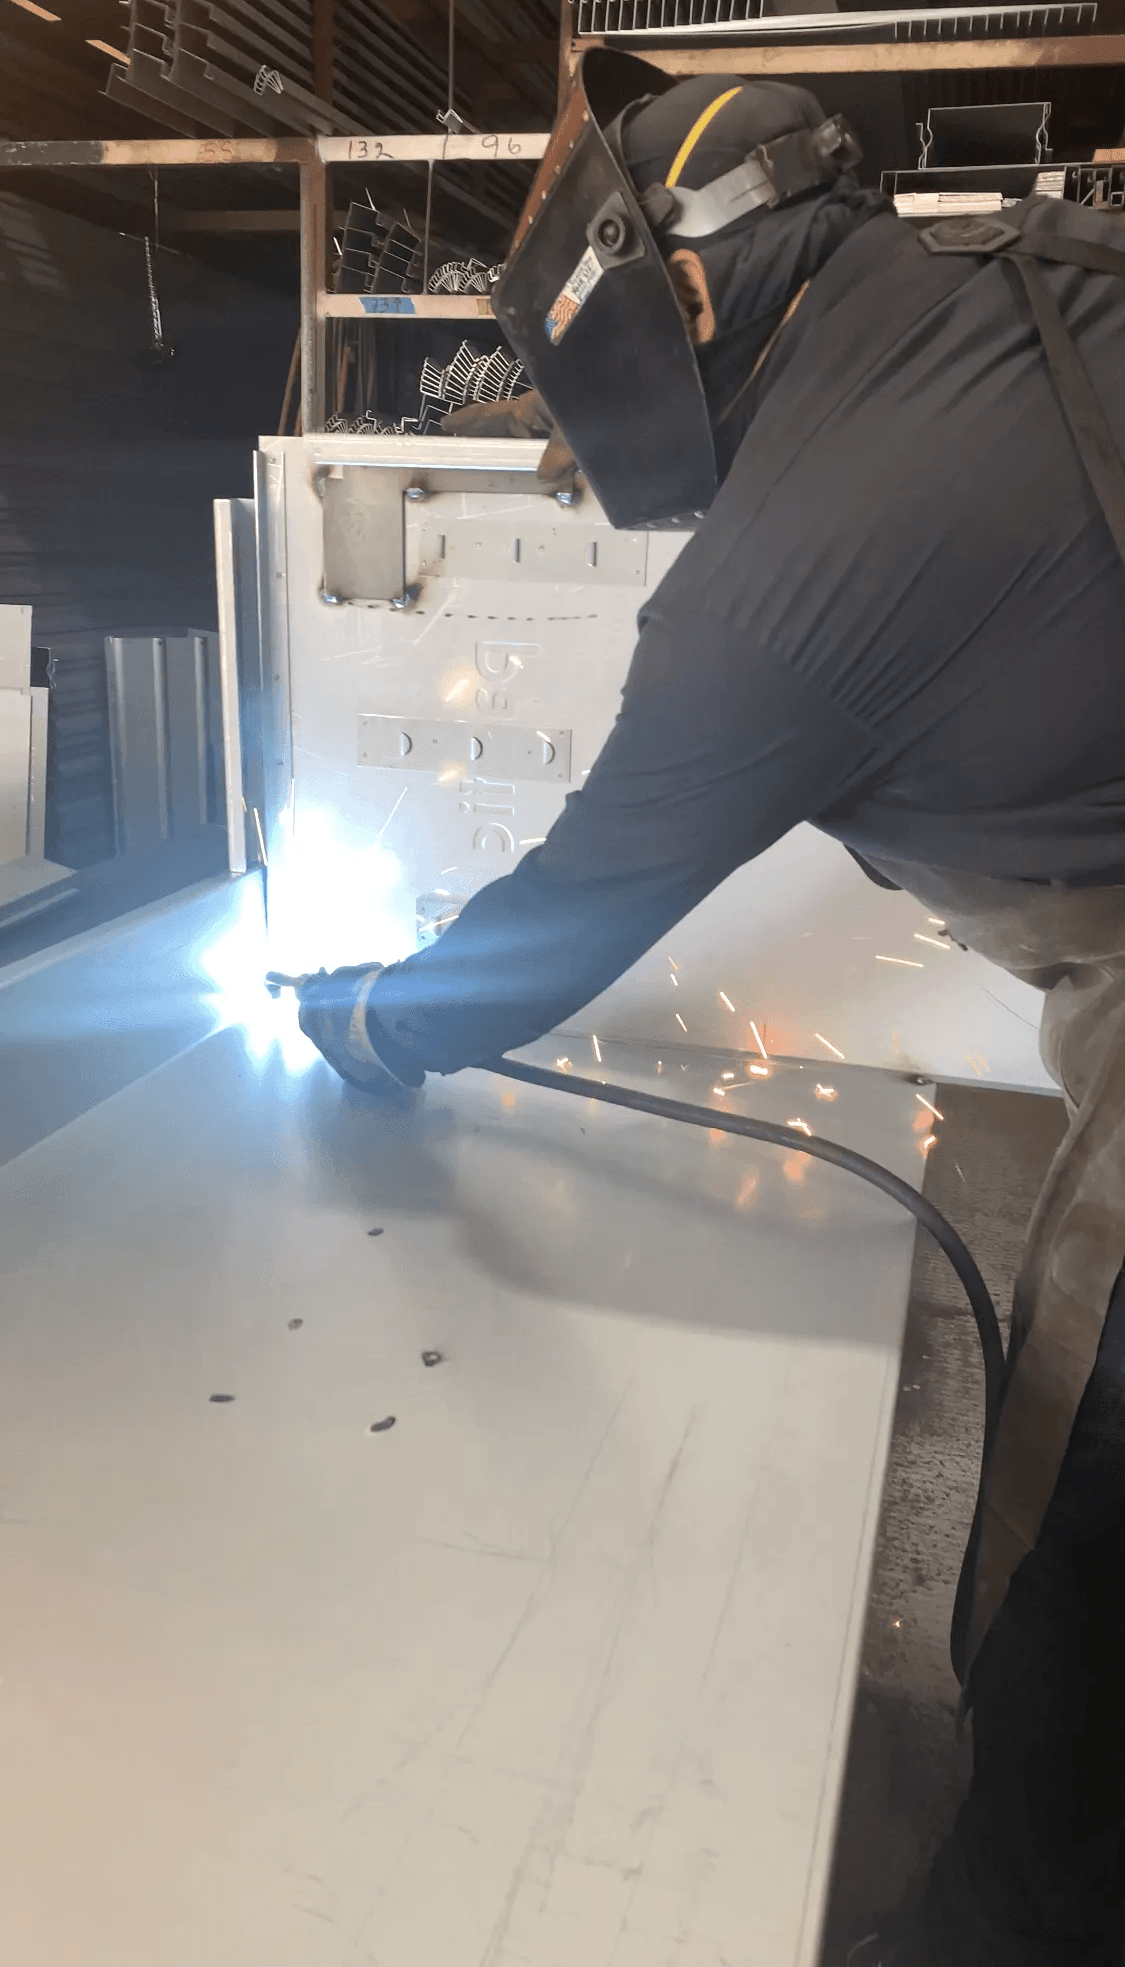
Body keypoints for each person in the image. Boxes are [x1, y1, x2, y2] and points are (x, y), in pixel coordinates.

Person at [296, 52, 1125, 1965]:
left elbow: (559, 922)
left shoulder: (782, 578)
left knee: (1088, 1526)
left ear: (669, 291)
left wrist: (372, 1019)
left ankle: (1012, 1919)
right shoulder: (994, 280)